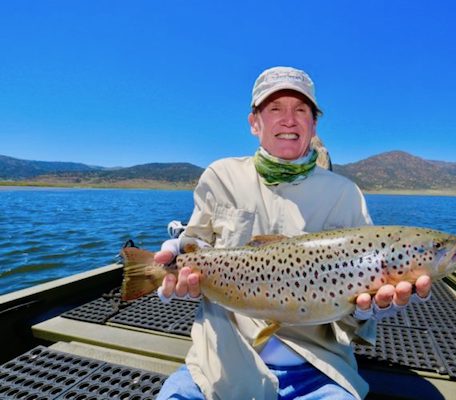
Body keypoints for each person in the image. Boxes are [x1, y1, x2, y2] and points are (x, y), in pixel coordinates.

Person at [154, 66, 432, 400]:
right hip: (219, 364)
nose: (289, 119)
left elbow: (360, 305)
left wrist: (367, 309)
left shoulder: (345, 194)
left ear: (313, 125)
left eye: (301, 110)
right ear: (254, 123)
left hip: (318, 372)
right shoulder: (220, 175)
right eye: (275, 109)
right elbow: (197, 241)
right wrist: (179, 250)